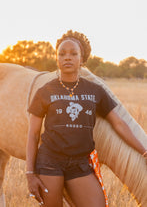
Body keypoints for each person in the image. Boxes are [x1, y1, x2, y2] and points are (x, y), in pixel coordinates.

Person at [26, 30, 147, 207]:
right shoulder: (45, 91)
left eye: (73, 53)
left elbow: (119, 124)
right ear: (57, 59)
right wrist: (30, 174)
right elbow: (33, 135)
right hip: (50, 161)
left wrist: (144, 151)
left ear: (82, 59)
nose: (67, 57)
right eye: (62, 54)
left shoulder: (95, 90)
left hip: (80, 163)